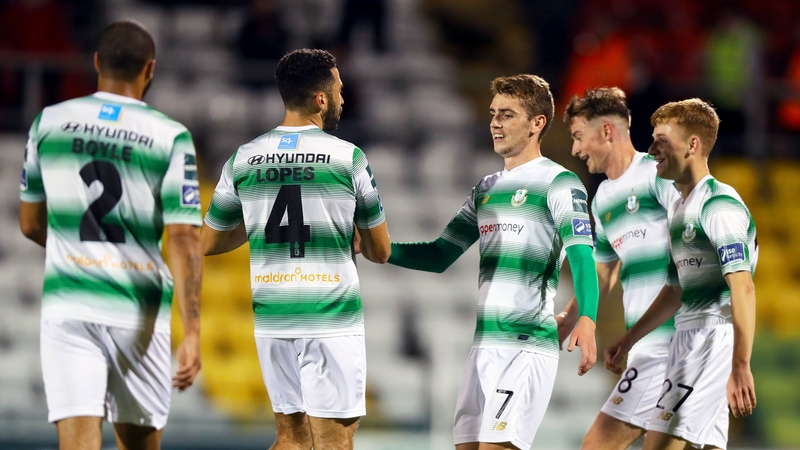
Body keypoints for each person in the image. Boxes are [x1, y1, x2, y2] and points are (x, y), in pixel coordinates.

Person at [387, 74, 599, 450]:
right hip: (483, 347)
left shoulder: (560, 183)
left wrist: (588, 318)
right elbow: (440, 254)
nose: (496, 123)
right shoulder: (486, 188)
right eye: (492, 114)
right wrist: (380, 248)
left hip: (525, 344)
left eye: (507, 114)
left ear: (538, 123)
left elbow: (582, 255)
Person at [18, 20, 203, 450]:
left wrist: (78, 249)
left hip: (70, 307)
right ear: (150, 70)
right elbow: (183, 238)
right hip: (138, 314)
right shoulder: (170, 136)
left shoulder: (49, 122)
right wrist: (192, 331)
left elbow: (29, 224)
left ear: (97, 63)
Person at [200, 48, 390, 450]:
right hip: (329, 315)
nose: (344, 97)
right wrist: (354, 233)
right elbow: (380, 251)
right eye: (339, 89)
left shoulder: (243, 158)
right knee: (335, 440)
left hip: (274, 316)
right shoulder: (347, 158)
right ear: (320, 99)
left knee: (291, 438)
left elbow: (210, 241)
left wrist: (258, 225)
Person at [605, 99, 758, 450]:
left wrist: (740, 364)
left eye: (662, 140)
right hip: (687, 337)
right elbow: (676, 290)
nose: (652, 148)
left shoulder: (718, 206)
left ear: (692, 145)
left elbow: (743, 288)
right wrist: (630, 339)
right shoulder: (678, 207)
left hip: (711, 339)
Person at [556, 87, 680, 450]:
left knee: (597, 443)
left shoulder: (660, 176)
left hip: (673, 342)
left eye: (579, 137)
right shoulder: (604, 199)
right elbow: (603, 271)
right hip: (649, 346)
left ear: (606, 131)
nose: (576, 150)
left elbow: (693, 243)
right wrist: (571, 316)